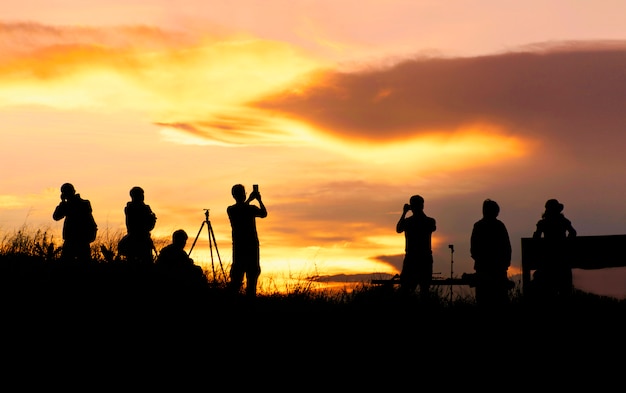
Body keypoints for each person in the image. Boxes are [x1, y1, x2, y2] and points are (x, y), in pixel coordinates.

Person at [227, 184, 267, 299]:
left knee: (237, 281)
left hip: (240, 249)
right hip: (250, 249)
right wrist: (257, 199)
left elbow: (263, 214)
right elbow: (264, 213)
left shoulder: (232, 210)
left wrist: (253, 199)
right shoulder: (246, 209)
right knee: (249, 283)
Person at [470, 199, 512, 307]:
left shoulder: (478, 226)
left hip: (485, 268)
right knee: (499, 300)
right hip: (496, 269)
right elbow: (507, 247)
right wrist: (505, 263)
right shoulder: (499, 226)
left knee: (483, 300)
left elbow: (473, 249)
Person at [532, 198, 577, 298]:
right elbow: (573, 233)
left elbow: (536, 239)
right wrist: (566, 243)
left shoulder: (543, 223)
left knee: (547, 289)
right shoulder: (564, 221)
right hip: (563, 261)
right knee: (565, 290)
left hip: (548, 261)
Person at [396, 194, 436, 298]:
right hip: (423, 259)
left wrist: (404, 212)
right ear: (422, 206)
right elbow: (399, 229)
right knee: (424, 290)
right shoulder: (429, 221)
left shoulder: (410, 222)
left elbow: (399, 229)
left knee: (407, 290)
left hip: (413, 259)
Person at [52, 183, 98, 262]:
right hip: (75, 240)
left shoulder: (82, 204)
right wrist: (63, 202)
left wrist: (63, 203)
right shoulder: (77, 204)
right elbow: (56, 216)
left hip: (80, 239)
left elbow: (56, 216)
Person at [120, 186, 157, 264]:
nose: (142, 197)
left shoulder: (129, 208)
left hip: (136, 239)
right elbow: (147, 226)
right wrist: (152, 219)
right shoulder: (141, 209)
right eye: (141, 195)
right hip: (141, 240)